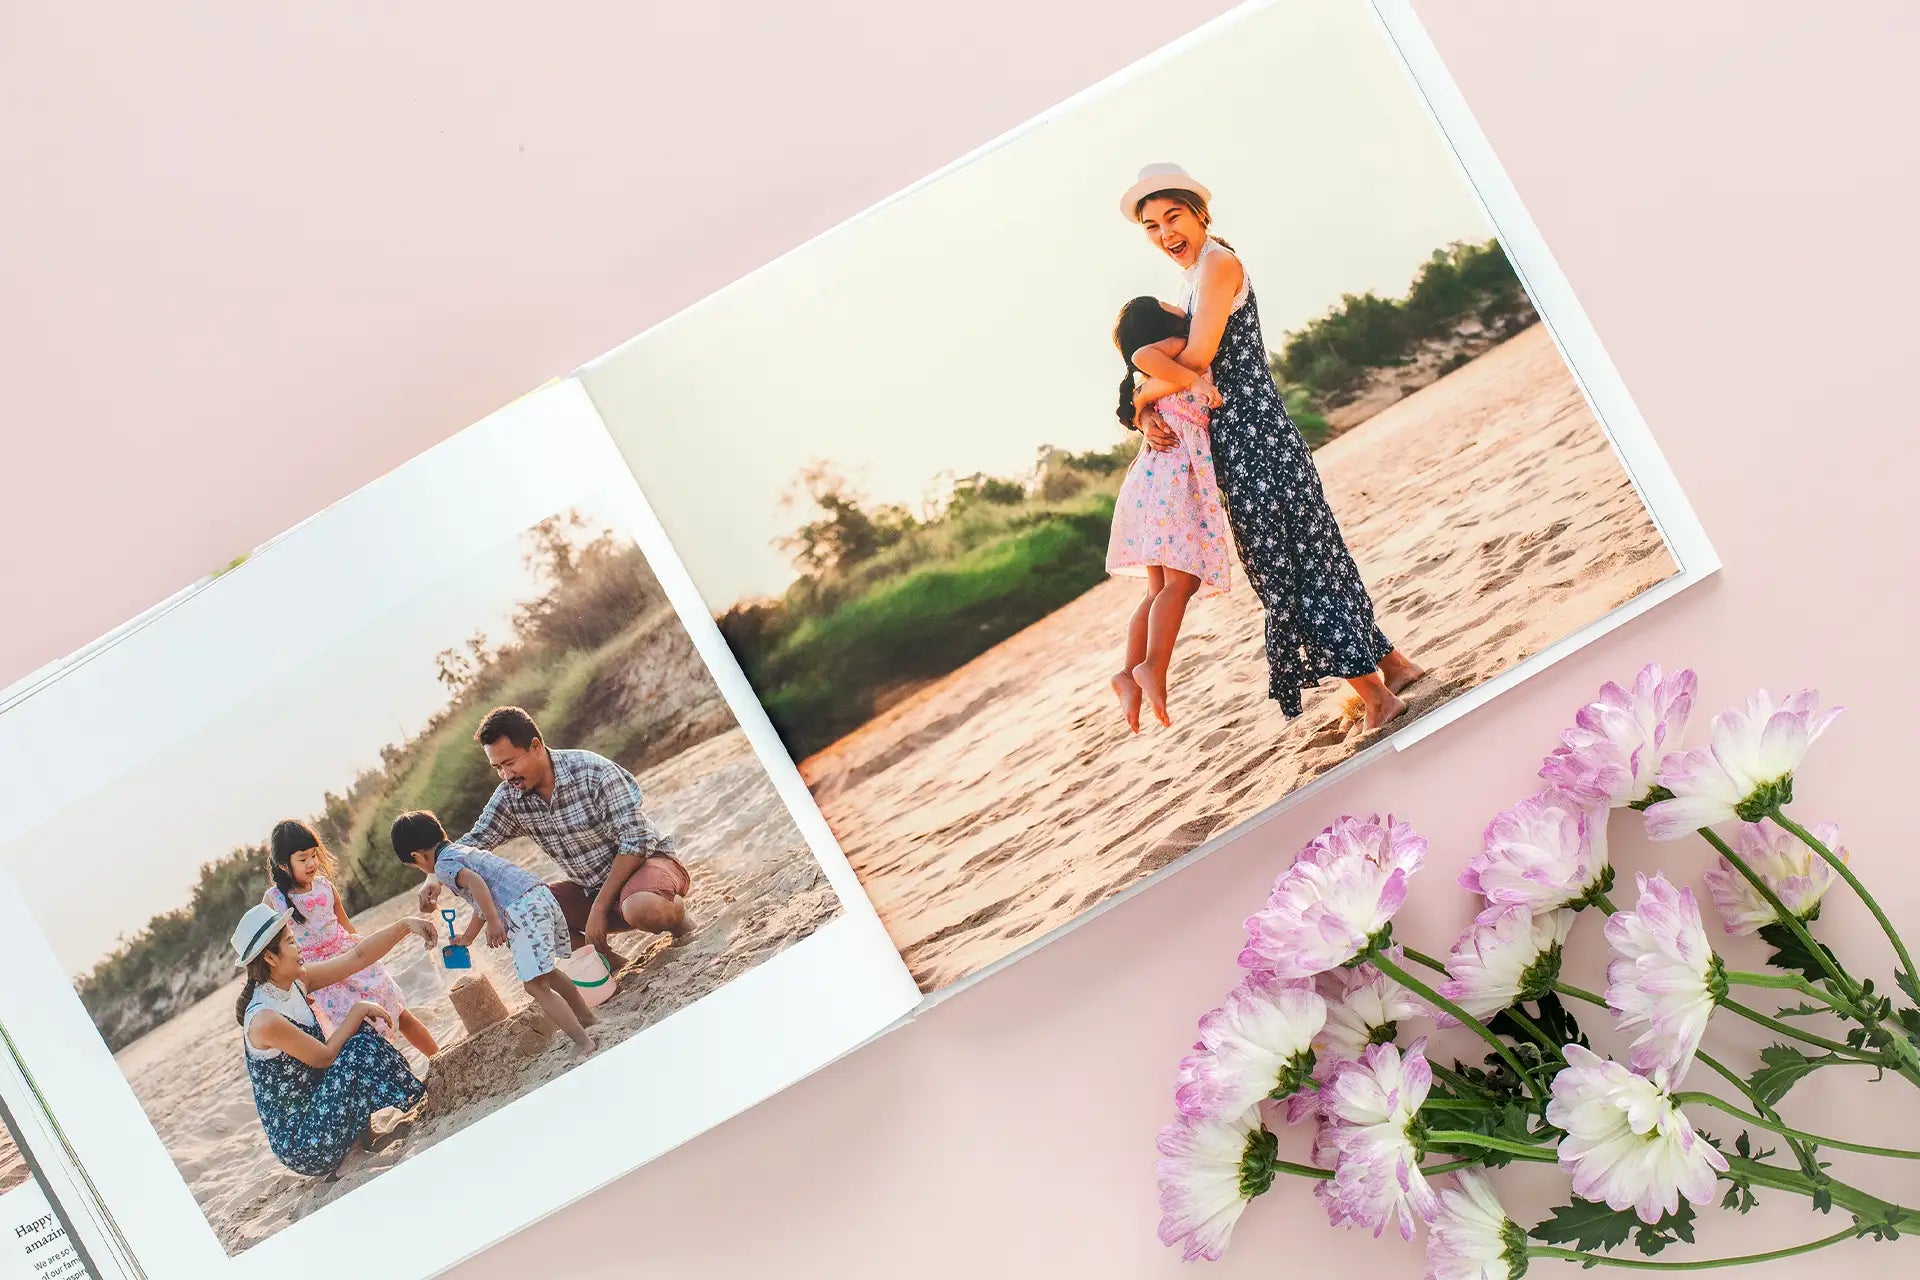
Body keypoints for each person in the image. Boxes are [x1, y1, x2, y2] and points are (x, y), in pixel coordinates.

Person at [1120, 163, 1426, 730]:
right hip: (1243, 438)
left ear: (1199, 213)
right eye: (1152, 226)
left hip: (1253, 436)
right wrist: (1145, 406)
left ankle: (1377, 698)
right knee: (1311, 551)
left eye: (1174, 216)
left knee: (1290, 563)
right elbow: (1183, 369)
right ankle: (1394, 666)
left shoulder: (1217, 264)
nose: (1165, 233)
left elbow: (1199, 359)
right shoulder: (1193, 278)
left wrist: (1138, 399)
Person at [418, 706, 690, 962]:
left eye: (510, 763)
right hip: (590, 890)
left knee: (641, 906)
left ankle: (681, 921)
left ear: (536, 746)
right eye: (498, 768)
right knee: (528, 913)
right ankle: (612, 966)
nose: (506, 775)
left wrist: (599, 908)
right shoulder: (510, 798)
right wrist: (434, 877)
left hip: (647, 869)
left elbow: (637, 842)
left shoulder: (592, 771)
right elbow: (472, 843)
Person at [230, 902, 437, 1178]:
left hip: (323, 1108)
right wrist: (358, 1009)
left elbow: (356, 958)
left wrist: (406, 926)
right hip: (304, 1141)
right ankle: (348, 1156)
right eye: (290, 942)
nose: (299, 947)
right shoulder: (264, 1018)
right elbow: (325, 1056)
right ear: (270, 957)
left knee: (359, 1036)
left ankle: (361, 1137)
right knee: (356, 1045)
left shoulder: (295, 983)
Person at [1105, 295, 1231, 731]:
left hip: (1154, 480)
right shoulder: (1176, 348)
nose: (1176, 305)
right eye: (1164, 303)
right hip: (1170, 477)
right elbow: (1141, 355)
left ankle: (1128, 673)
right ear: (1158, 323)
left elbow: (1141, 370)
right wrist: (1194, 381)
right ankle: (1153, 667)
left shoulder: (1156, 375)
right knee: (1181, 583)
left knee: (1158, 589)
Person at [390, 809, 597, 1055]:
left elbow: (477, 884)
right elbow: (482, 898)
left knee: (535, 986)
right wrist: (468, 938)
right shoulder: (463, 851)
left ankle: (583, 1042)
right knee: (548, 972)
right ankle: (587, 1018)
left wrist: (494, 921)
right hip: (539, 896)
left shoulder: (443, 866)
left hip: (521, 909)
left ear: (417, 856)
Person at [263, 819, 440, 1057]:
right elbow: (270, 949)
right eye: (303, 859)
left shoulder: (324, 887)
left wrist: (367, 957)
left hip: (352, 959)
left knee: (398, 1012)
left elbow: (347, 927)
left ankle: (438, 1057)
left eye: (314, 855)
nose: (312, 863)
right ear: (284, 865)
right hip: (321, 976)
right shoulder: (273, 900)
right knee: (359, 1035)